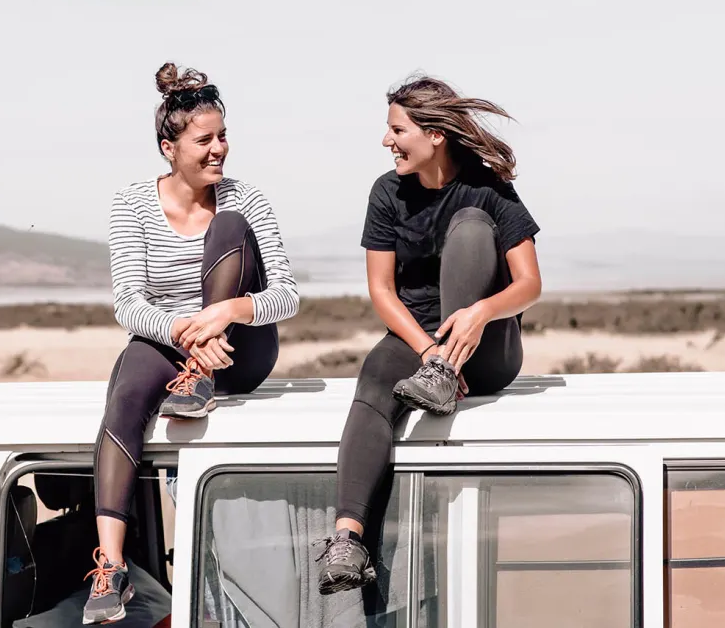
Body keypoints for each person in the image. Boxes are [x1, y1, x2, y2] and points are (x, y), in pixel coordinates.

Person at [84, 62, 300, 624]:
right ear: (169, 148)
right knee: (127, 390)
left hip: (239, 349)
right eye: (205, 140)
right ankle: (112, 567)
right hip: (177, 345)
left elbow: (287, 294)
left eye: (223, 136)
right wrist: (188, 333)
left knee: (228, 226)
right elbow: (129, 303)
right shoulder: (132, 203)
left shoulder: (245, 198)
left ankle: (199, 378)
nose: (219, 149)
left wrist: (225, 314)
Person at [316, 74, 542, 595]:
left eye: (397, 130)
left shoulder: (488, 187)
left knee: (471, 224)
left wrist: (481, 312)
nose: (386, 140)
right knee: (373, 379)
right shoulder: (387, 192)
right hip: (421, 344)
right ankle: (348, 539)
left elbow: (530, 284)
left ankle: (446, 372)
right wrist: (427, 350)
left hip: (486, 347)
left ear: (434, 134)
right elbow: (381, 291)